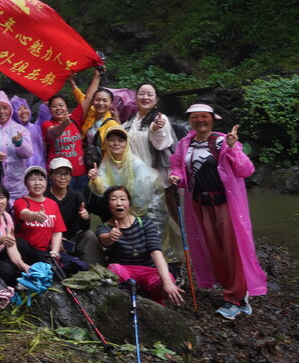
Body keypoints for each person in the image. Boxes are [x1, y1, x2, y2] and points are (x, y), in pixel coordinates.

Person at [169, 104, 266, 319]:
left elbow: (246, 170)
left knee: (232, 250)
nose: (200, 121)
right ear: (190, 120)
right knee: (214, 249)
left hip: (225, 204)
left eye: (204, 117)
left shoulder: (223, 141)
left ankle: (237, 298)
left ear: (213, 119)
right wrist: (178, 177)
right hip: (200, 205)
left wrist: (232, 148)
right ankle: (231, 290)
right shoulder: (186, 143)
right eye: (195, 117)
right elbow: (178, 166)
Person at [87, 125, 179, 260]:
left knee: (154, 241)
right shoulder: (107, 163)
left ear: (126, 143)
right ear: (106, 143)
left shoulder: (135, 163)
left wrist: (128, 205)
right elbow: (105, 190)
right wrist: (95, 180)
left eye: (120, 140)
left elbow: (144, 192)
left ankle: (164, 266)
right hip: (125, 207)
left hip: (146, 208)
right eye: (112, 140)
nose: (116, 143)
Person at [97, 185, 183, 306]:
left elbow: (156, 252)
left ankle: (156, 303)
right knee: (113, 269)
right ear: (107, 204)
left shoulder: (145, 223)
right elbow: (103, 239)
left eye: (123, 199)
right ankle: (129, 301)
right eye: (113, 199)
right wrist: (110, 237)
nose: (119, 203)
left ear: (129, 203)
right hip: (125, 271)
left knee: (163, 278)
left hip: (149, 270)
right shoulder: (104, 227)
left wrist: (167, 282)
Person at [42, 68, 103, 192]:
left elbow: (88, 99)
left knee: (81, 206)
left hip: (80, 172)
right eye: (54, 106)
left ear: (66, 108)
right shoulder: (47, 124)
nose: (58, 108)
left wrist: (97, 75)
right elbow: (53, 133)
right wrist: (63, 124)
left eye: (61, 105)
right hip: (59, 175)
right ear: (49, 110)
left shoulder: (74, 118)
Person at [123, 83, 178, 215]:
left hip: (160, 177)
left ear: (156, 99)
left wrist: (155, 129)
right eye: (141, 93)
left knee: (168, 216)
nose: (145, 97)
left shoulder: (160, 119)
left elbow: (162, 145)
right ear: (135, 97)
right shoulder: (132, 121)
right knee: (149, 218)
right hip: (139, 177)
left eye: (150, 94)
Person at [45, 158, 105, 266]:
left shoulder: (76, 195)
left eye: (66, 174)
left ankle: (97, 270)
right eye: (58, 173)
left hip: (71, 239)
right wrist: (53, 239)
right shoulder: (44, 196)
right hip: (48, 239)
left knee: (89, 235)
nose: (63, 177)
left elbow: (85, 227)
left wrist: (85, 217)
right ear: (51, 175)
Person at [13, 166, 66, 265]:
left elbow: (57, 232)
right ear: (25, 183)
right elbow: (23, 213)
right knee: (20, 243)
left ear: (46, 182)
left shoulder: (52, 204)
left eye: (41, 179)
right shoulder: (20, 201)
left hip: (45, 252)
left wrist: (54, 252)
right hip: (27, 250)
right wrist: (35, 215)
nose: (37, 183)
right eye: (32, 179)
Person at [10, 95, 50, 170]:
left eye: (25, 108)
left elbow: (44, 119)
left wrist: (46, 108)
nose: (23, 112)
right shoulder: (10, 131)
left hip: (40, 171)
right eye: (19, 109)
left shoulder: (36, 128)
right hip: (21, 174)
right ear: (13, 113)